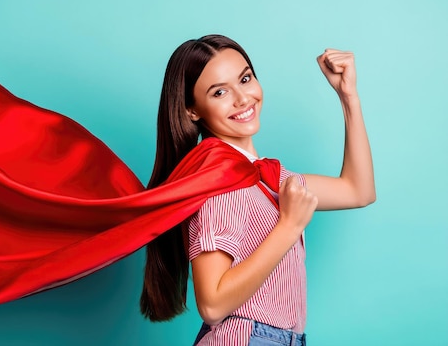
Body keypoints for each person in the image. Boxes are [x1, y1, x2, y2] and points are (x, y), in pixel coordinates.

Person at [139, 35, 375, 345]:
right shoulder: (217, 181)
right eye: (220, 92)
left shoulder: (269, 176)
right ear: (192, 110)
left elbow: (358, 191)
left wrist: (348, 97)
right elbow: (212, 305)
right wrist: (289, 226)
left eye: (245, 79)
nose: (242, 99)